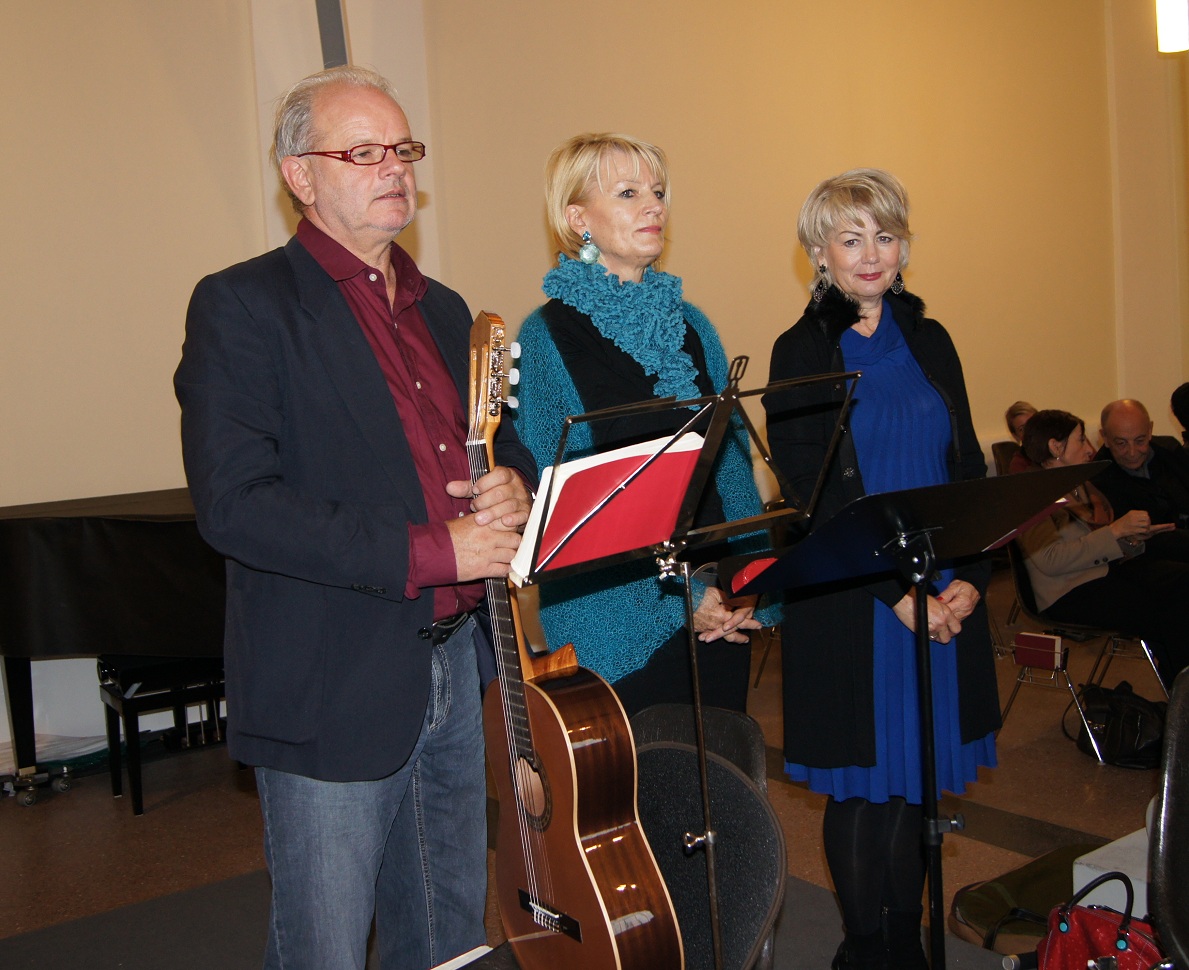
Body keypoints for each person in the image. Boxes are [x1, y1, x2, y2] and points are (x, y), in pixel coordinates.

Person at [174, 66, 536, 970]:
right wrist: (435, 549)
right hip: (331, 674)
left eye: (402, 149)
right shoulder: (243, 304)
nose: (394, 169)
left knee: (448, 940)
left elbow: (494, 446)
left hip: (453, 662)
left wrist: (512, 485)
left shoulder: (443, 307)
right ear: (299, 175)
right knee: (325, 949)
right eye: (363, 152)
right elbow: (235, 504)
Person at [763, 169, 999, 970]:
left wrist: (969, 577)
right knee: (864, 788)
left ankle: (906, 941)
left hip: (938, 591)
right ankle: (863, 951)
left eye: (885, 235)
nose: (870, 253)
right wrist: (893, 593)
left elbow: (963, 466)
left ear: (904, 247)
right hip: (857, 601)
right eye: (849, 237)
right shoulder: (800, 350)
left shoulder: (929, 338)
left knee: (916, 782)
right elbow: (810, 495)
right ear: (818, 253)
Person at [512, 132, 773, 718]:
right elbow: (565, 514)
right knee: (648, 773)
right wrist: (682, 599)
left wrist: (750, 581)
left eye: (657, 192)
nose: (654, 205)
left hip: (719, 603)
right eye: (628, 193)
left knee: (724, 769)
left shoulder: (693, 323)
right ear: (578, 218)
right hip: (616, 619)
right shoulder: (548, 337)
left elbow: (732, 467)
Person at [1018, 410, 1189, 687]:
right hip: (1067, 593)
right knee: (1171, 605)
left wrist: (1133, 539)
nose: (1089, 449)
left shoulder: (1074, 484)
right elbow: (1050, 560)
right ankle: (1181, 695)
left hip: (1097, 574)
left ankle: (1179, 694)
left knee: (1180, 582)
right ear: (1056, 447)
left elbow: (1093, 544)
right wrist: (1115, 531)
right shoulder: (1032, 493)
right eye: (1081, 440)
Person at [1094, 399, 1189, 538]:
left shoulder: (1170, 450)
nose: (1132, 452)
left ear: (1150, 430)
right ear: (1105, 438)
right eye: (1121, 443)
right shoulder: (1098, 478)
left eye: (1140, 441)